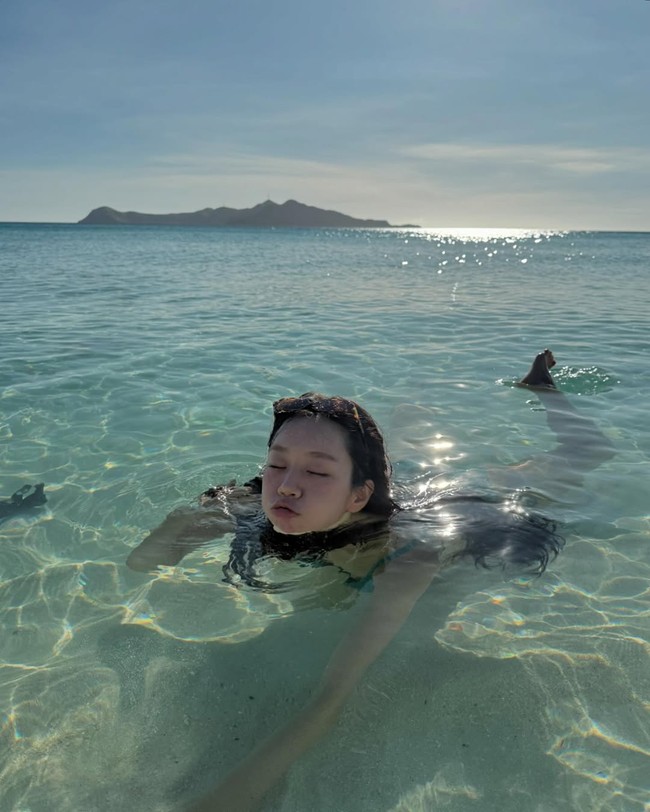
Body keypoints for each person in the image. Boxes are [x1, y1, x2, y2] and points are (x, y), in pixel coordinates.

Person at [126, 350, 614, 812]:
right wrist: (202, 511)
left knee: (587, 453)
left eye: (317, 472)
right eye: (276, 463)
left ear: (357, 496)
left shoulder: (409, 560)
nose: (287, 486)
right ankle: (413, 413)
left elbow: (331, 699)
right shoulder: (274, 502)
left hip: (486, 515)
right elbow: (142, 563)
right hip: (396, 503)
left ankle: (543, 387)